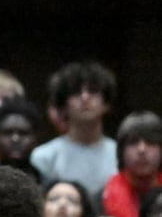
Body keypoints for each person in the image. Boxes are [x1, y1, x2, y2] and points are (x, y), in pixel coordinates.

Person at [31, 60, 118, 197]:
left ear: (106, 103)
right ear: (63, 105)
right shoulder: (43, 157)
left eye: (93, 91)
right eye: (76, 92)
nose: (85, 98)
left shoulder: (120, 155)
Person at [101, 110, 162, 217]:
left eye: (150, 142)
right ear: (121, 152)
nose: (142, 150)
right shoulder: (100, 200)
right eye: (133, 143)